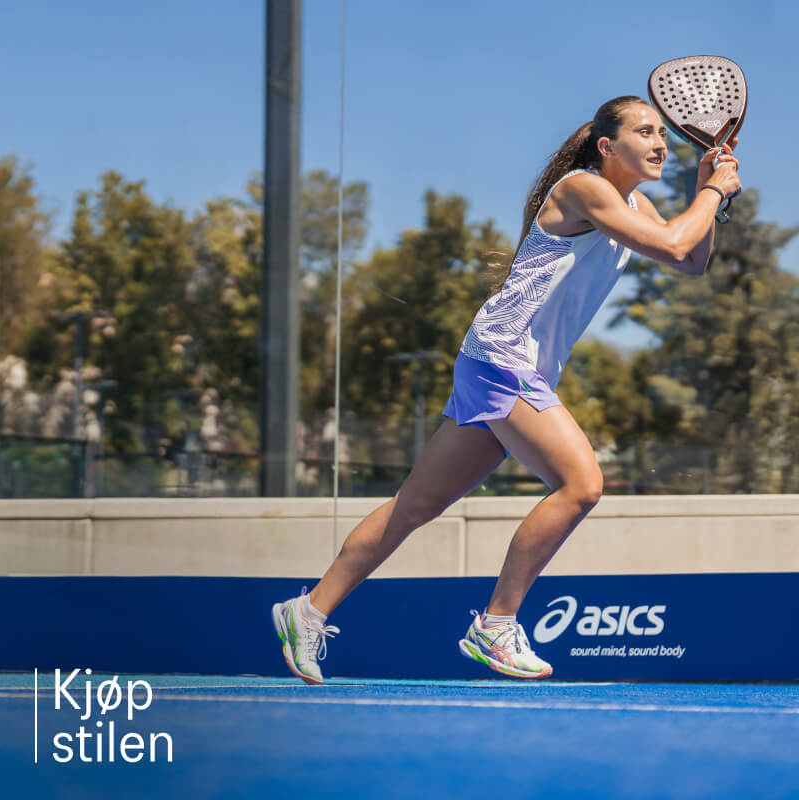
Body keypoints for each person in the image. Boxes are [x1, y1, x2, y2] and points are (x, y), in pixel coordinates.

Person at [272, 95, 741, 684]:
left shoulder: (636, 203)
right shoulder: (584, 188)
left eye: (662, 135)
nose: (659, 142)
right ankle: (496, 625)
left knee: (414, 506)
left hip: (500, 363)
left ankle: (307, 610)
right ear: (606, 147)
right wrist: (715, 191)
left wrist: (705, 190)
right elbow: (673, 243)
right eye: (643, 132)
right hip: (503, 357)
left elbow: (690, 260)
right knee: (582, 484)